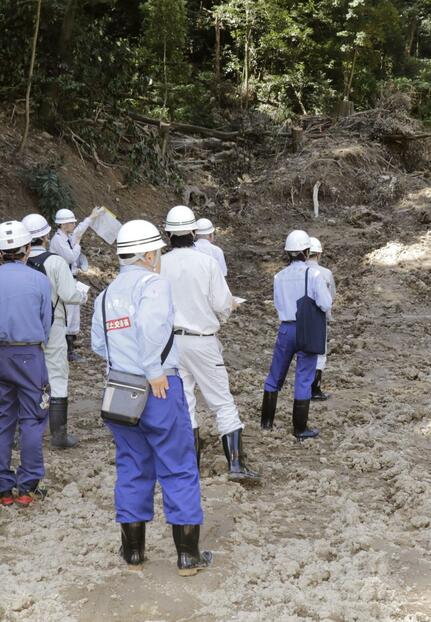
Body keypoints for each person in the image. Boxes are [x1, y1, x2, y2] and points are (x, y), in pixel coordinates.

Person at [91, 219, 211, 576]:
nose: (158, 257)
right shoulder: (153, 284)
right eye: (157, 252)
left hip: (120, 391)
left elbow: (100, 343)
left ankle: (133, 554)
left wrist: (126, 363)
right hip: (157, 386)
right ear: (147, 254)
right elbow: (151, 326)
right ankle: (188, 556)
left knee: (131, 467)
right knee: (178, 466)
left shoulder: (105, 294)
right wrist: (152, 369)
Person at [160, 206, 259, 484]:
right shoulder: (207, 262)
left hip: (172, 342)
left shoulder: (161, 264)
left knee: (186, 403)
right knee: (222, 402)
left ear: (168, 234)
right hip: (202, 340)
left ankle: (191, 467)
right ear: (193, 232)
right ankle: (236, 463)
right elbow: (221, 304)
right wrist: (228, 310)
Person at [0, 221, 53, 507]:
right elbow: (46, 320)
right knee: (32, 417)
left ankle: (2, 486)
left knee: (1, 417)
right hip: (29, 353)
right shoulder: (39, 280)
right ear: (27, 248)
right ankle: (28, 484)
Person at [260, 230, 332, 440]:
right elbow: (325, 303)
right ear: (306, 251)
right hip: (306, 328)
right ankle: (300, 428)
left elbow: (278, 304)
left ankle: (266, 423)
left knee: (275, 375)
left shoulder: (279, 276)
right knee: (303, 377)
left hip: (286, 328)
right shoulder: (314, 274)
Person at [23, 213, 85, 448]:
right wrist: (82, 294)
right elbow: (70, 295)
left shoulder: (19, 262)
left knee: (27, 378)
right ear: (46, 235)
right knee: (57, 376)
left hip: (24, 329)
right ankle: (59, 436)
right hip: (54, 325)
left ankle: (27, 432)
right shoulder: (56, 262)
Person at [49, 207, 103, 362]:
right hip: (63, 279)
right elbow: (71, 257)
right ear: (64, 225)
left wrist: (91, 217)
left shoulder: (66, 236)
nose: (74, 224)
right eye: (71, 222)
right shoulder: (58, 240)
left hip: (70, 278)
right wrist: (78, 245)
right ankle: (65, 350)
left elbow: (79, 231)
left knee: (74, 314)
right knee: (67, 313)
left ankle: (70, 346)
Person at [308, 237, 335, 401]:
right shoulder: (325, 273)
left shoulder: (291, 272)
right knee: (319, 354)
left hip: (295, 320)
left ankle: (302, 388)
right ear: (318, 254)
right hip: (317, 317)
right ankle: (315, 389)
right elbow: (329, 298)